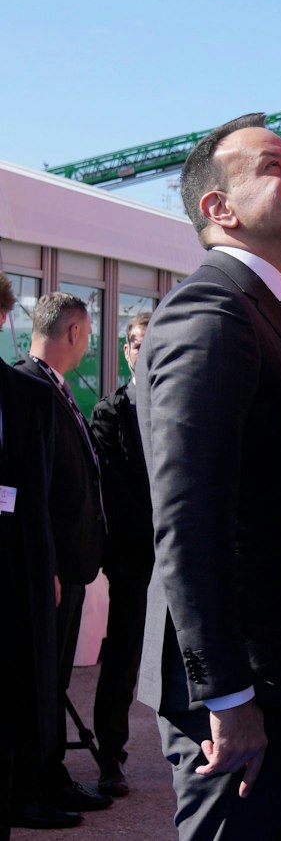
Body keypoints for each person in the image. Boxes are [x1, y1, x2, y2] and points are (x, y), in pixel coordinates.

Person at [136, 113, 281, 838]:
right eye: (274, 166)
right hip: (246, 690)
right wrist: (225, 692)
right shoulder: (214, 308)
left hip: (279, 677)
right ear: (218, 208)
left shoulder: (268, 310)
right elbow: (188, 516)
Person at [14, 291, 114, 819]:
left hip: (67, 565)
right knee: (40, 679)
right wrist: (48, 564)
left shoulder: (53, 386)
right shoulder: (30, 387)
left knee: (53, 678)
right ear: (74, 331)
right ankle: (36, 783)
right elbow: (34, 489)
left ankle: (51, 775)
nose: (89, 344)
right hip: (48, 568)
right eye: (89, 333)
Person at [2, 276, 77, 831]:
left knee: (23, 689)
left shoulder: (28, 398)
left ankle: (21, 793)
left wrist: (48, 567)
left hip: (16, 574)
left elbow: (41, 494)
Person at [86, 313, 154, 798]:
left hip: (184, 559)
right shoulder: (109, 411)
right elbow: (116, 490)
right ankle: (111, 756)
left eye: (147, 342)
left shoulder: (187, 405)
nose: (138, 350)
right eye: (132, 343)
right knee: (124, 657)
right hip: (135, 558)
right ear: (126, 351)